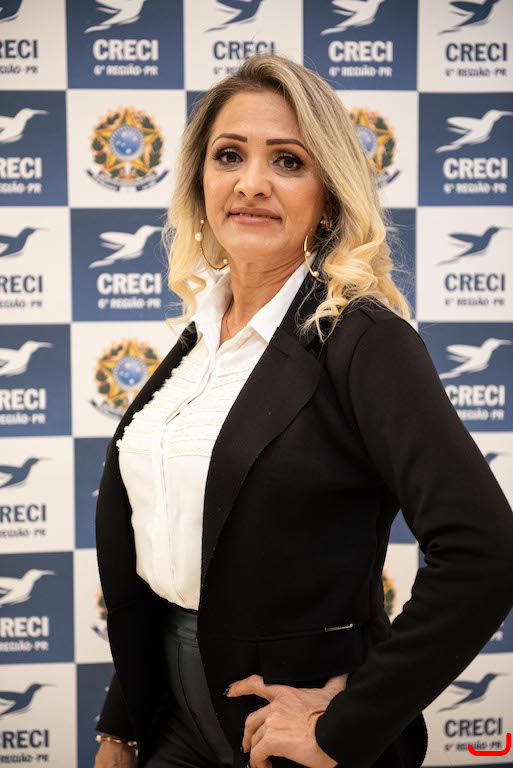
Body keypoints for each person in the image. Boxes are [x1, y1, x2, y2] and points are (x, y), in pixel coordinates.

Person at [93, 52, 513, 768]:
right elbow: (172, 553)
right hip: (167, 719)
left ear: (328, 193)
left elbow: (485, 552)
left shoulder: (364, 338)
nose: (251, 183)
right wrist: (120, 727)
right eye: (229, 155)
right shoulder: (197, 340)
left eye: (287, 161)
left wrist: (343, 725)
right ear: (200, 180)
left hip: (284, 734)